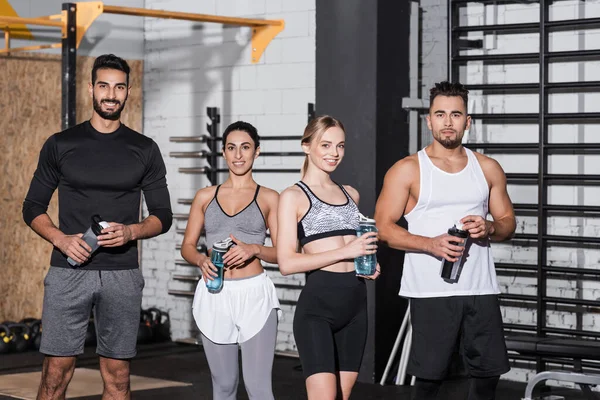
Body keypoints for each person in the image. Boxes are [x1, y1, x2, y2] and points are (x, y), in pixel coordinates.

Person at [22, 54, 172, 400]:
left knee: (118, 378)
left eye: (119, 87)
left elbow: (162, 216)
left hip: (122, 273)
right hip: (68, 270)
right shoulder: (61, 144)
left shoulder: (145, 149)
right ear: (91, 88)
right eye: (103, 85)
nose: (111, 94)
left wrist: (131, 232)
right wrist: (60, 239)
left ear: (128, 92)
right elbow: (32, 207)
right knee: (55, 374)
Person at [374, 81, 516, 400]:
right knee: (429, 380)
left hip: (481, 288)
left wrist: (489, 227)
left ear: (468, 121)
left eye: (455, 114)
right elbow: (383, 227)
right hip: (431, 290)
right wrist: (430, 244)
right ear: (429, 120)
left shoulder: (488, 168)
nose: (448, 121)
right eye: (440, 114)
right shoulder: (408, 170)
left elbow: (508, 224)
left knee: (487, 376)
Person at [277, 115, 380, 400]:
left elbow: (357, 245)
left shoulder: (351, 194)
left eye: (340, 146)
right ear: (306, 146)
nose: (334, 153)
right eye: (325, 145)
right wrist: (347, 252)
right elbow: (287, 263)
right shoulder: (293, 196)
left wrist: (369, 262)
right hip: (317, 311)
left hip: (356, 306)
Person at [181, 121, 281, 400]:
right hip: (215, 293)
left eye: (245, 147)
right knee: (224, 386)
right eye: (232, 148)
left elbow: (284, 254)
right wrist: (201, 260)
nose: (238, 155)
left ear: (257, 152)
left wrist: (255, 249)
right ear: (224, 152)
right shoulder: (204, 196)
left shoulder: (270, 197)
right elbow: (187, 246)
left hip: (254, 295)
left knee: (259, 388)